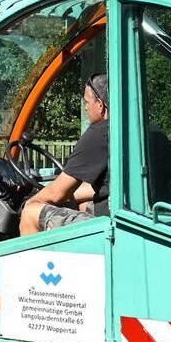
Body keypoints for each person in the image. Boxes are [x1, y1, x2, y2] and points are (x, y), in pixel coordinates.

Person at [20, 72, 110, 235]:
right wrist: (70, 195)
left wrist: (31, 201)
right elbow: (107, 187)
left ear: (100, 105)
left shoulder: (100, 133)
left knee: (30, 213)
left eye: (87, 102)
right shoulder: (142, 130)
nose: (86, 107)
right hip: (131, 216)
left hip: (114, 227)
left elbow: (56, 193)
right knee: (82, 203)